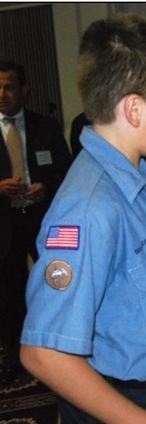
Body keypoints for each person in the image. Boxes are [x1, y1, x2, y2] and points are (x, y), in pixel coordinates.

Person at [19, 14, 146, 423]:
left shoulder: (141, 178)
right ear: (134, 109)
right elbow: (44, 354)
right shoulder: (89, 209)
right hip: (120, 407)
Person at [0, 61, 72, 384]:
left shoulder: (47, 126)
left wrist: (47, 186)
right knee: (10, 291)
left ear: (24, 89)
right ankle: (15, 357)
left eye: (9, 87)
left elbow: (68, 172)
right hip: (6, 223)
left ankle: (58, 348)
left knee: (54, 284)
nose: (2, 94)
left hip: (43, 219)